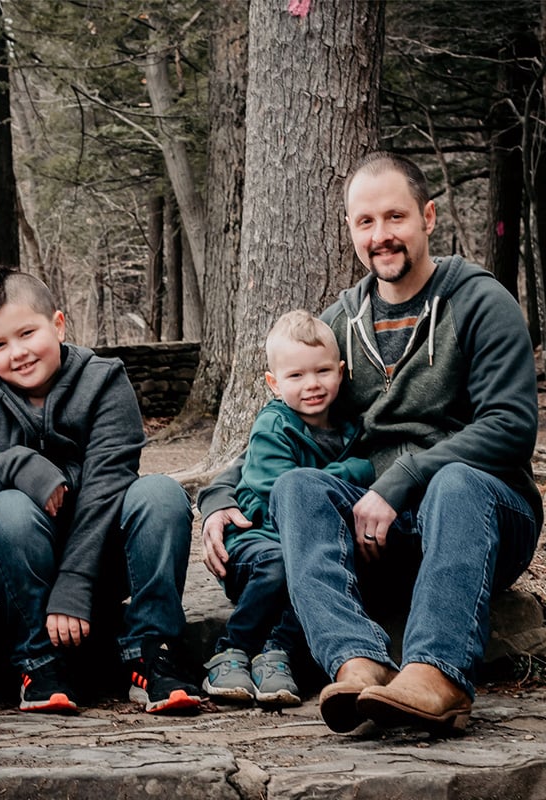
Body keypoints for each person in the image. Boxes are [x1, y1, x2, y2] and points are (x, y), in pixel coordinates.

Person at [199, 151, 542, 735]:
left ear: (428, 217)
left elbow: (511, 424)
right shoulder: (343, 319)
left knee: (454, 482)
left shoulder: (481, 302)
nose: (381, 236)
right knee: (299, 485)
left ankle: (438, 674)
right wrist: (220, 492)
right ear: (351, 230)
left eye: (395, 217)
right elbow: (283, 411)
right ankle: (358, 663)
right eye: (365, 221)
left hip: (477, 515)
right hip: (377, 530)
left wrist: (403, 479)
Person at [0, 266, 200, 715]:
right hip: (22, 560)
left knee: (160, 494)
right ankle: (40, 660)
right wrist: (20, 464)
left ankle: (151, 652)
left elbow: (109, 483)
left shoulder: (103, 379)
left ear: (58, 324)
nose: (18, 353)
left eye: (28, 333)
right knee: (5, 505)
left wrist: (75, 582)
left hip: (104, 558)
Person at [200, 310, 374, 707]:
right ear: (274, 383)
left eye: (322, 371)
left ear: (342, 371)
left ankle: (277, 653)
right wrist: (355, 471)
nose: (312, 385)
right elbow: (279, 490)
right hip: (254, 542)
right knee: (285, 564)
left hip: (302, 546)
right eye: (296, 376)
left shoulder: (350, 429)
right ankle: (231, 649)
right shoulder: (274, 426)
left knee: (319, 569)